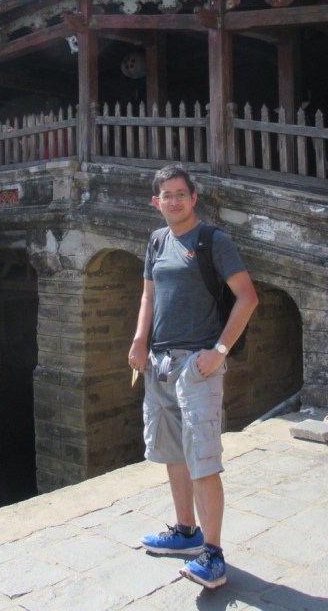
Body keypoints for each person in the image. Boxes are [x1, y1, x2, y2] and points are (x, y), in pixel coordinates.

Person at [128, 164, 258, 589]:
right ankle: (186, 532)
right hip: (160, 362)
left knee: (202, 458)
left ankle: (213, 554)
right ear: (156, 202)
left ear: (193, 198)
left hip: (197, 365)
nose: (174, 200)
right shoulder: (156, 241)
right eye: (166, 195)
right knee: (173, 452)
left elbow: (247, 297)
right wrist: (139, 340)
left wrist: (219, 351)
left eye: (181, 193)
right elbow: (148, 296)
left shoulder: (212, 241)